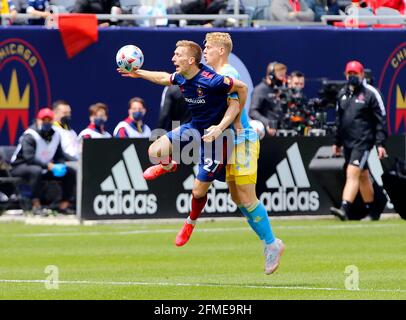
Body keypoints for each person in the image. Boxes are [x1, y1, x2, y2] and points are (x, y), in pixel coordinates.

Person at [117, 40, 248, 246]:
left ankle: (190, 222)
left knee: (198, 191)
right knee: (155, 151)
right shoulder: (181, 77)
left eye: (178, 55)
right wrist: (138, 73)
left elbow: (242, 89)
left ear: (190, 60)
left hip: (217, 137)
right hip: (195, 127)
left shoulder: (213, 81)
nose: (173, 58)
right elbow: (162, 78)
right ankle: (169, 165)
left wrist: (225, 125)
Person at [203, 32, 285, 275]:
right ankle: (270, 242)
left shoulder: (229, 74)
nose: (205, 50)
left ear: (220, 50)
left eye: (208, 47)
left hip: (243, 141)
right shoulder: (215, 75)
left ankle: (271, 244)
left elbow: (236, 104)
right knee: (238, 199)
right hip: (230, 141)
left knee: (247, 198)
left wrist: (221, 127)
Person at [330, 60, 388, 221]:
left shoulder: (370, 93)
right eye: (350, 74)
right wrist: (337, 142)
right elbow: (339, 121)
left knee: (352, 173)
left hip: (363, 141)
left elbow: (380, 119)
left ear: (362, 74)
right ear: (345, 74)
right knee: (362, 175)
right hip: (348, 142)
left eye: (355, 73)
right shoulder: (342, 94)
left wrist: (380, 143)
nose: (352, 76)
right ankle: (372, 211)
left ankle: (344, 208)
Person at [10, 108, 76, 215]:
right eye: (43, 120)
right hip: (20, 166)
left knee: (70, 172)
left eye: (49, 120)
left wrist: (60, 164)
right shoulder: (30, 135)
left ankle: (63, 205)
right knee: (36, 170)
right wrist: (49, 166)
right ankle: (36, 206)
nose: (46, 122)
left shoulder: (56, 135)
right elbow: (29, 158)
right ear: (37, 120)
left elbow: (59, 155)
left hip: (45, 167)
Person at [249, 62, 287, 137]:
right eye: (280, 75)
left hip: (280, 133)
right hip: (266, 135)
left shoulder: (279, 90)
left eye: (284, 75)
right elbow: (252, 112)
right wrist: (268, 123)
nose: (283, 79)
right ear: (271, 75)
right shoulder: (260, 90)